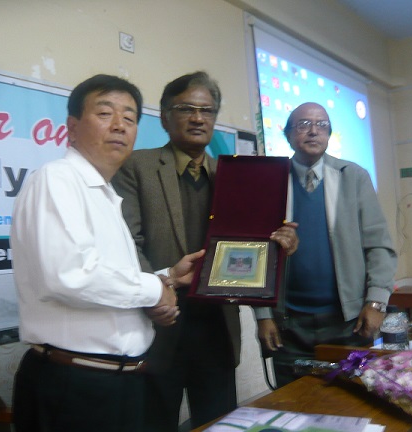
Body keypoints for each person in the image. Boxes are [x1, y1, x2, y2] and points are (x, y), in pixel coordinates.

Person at [10, 74, 204, 432]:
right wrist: (153, 290)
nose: (119, 125)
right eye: (104, 113)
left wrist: (167, 278)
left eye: (129, 118)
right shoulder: (57, 179)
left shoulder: (105, 195)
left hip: (118, 383)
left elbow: (105, 276)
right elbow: (69, 276)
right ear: (72, 127)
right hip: (75, 386)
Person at [112, 71, 298, 431]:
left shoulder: (233, 174)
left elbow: (253, 243)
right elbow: (127, 243)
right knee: (155, 423)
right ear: (165, 117)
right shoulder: (137, 166)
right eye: (186, 109)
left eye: (207, 110)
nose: (198, 118)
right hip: (159, 322)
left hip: (216, 327)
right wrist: (159, 290)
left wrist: (279, 247)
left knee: (218, 423)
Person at [255, 102, 397, 388]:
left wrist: (375, 302)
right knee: (292, 403)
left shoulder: (353, 176)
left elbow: (378, 245)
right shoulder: (270, 180)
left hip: (348, 322)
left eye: (321, 125)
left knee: (352, 402)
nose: (313, 131)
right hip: (287, 324)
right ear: (287, 135)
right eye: (303, 124)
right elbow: (255, 252)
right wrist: (263, 315)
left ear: (329, 134)